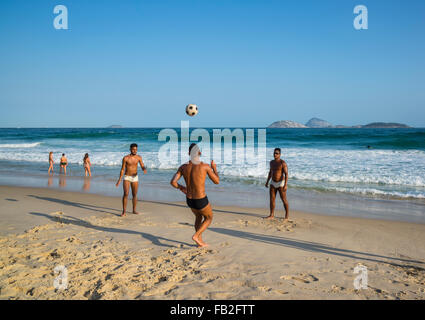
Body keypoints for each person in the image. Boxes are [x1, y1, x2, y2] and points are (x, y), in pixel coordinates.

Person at [170, 143, 219, 248]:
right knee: (209, 218)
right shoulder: (205, 166)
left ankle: (199, 241)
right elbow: (217, 181)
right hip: (200, 199)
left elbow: (173, 182)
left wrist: (182, 188)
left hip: (189, 199)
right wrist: (214, 168)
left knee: (198, 216)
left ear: (188, 153)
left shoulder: (183, 167)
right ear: (199, 153)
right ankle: (196, 236)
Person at [115, 143, 147, 216]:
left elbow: (142, 164)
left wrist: (144, 168)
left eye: (136, 149)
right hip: (127, 177)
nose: (135, 151)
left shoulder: (139, 157)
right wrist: (119, 179)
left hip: (135, 177)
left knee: (134, 195)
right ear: (130, 149)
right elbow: (122, 169)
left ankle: (134, 210)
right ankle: (124, 211)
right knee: (126, 194)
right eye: (133, 149)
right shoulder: (126, 158)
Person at [264, 148, 289, 220]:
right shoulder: (271, 162)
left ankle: (286, 216)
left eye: (277, 153)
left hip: (281, 183)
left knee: (284, 200)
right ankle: (271, 215)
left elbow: (286, 174)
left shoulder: (282, 163)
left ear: (280, 154)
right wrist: (267, 182)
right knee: (272, 199)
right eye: (274, 153)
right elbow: (270, 172)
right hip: (273, 182)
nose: (275, 154)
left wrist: (285, 185)